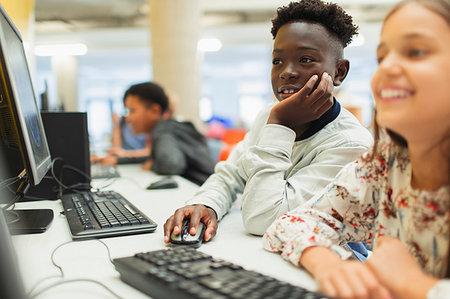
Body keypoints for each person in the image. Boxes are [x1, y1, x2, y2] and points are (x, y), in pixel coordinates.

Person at [263, 0, 450, 298]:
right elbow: (290, 222)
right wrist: (327, 263)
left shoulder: (352, 141)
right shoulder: (388, 163)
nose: (387, 67)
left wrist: (416, 286)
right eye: (382, 56)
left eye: (415, 52)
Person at [164, 0, 373, 245]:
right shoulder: (269, 114)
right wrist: (206, 203)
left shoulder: (351, 144)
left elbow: (263, 220)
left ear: (339, 72)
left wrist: (280, 124)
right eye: (277, 61)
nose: (287, 72)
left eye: (305, 60)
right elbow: (232, 174)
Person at [97, 82, 215, 185]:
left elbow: (171, 165)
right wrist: (118, 160)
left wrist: (152, 165)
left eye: (132, 111)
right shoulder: (167, 128)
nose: (127, 118)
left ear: (154, 111)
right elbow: (154, 157)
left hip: (203, 194)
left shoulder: (164, 129)